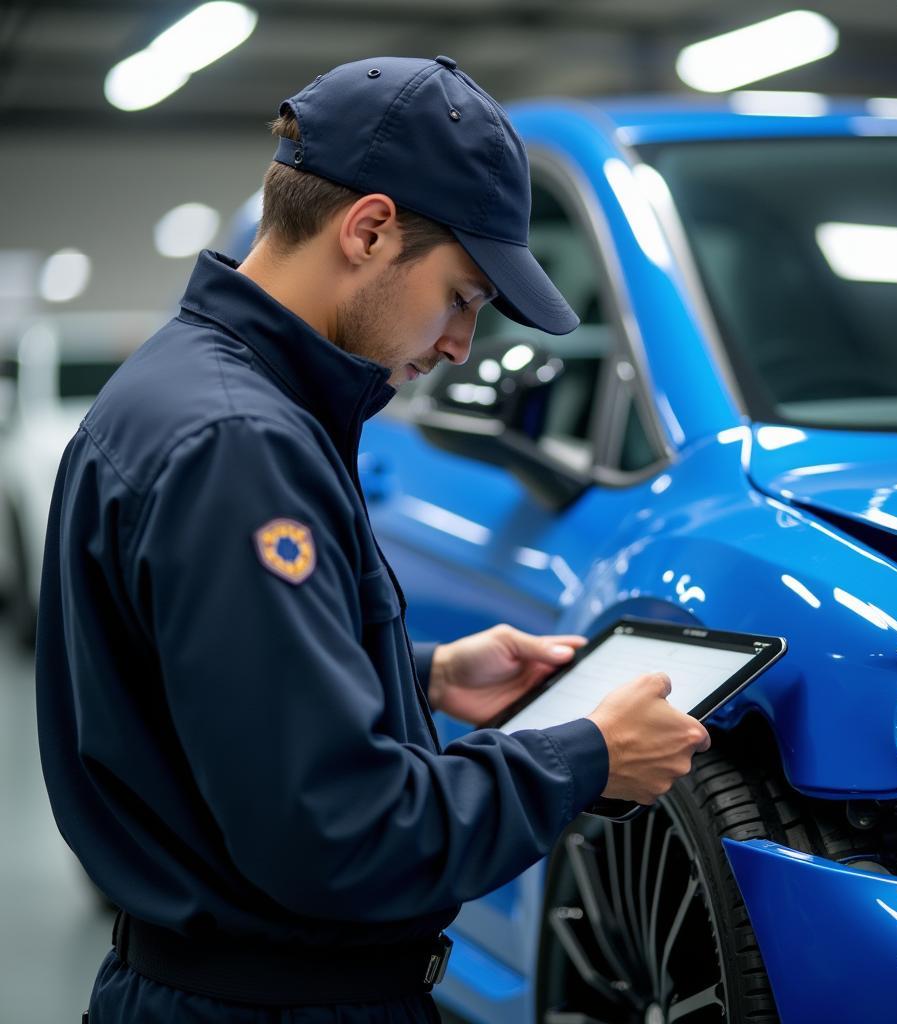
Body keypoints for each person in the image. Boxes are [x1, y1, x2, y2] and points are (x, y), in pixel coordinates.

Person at [35, 55, 711, 1024]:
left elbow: (199, 685)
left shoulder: (188, 390)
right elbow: (340, 835)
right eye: (465, 295)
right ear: (369, 229)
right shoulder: (241, 446)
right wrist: (584, 758)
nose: (458, 346)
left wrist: (423, 673)